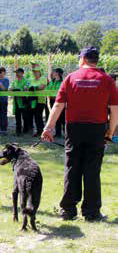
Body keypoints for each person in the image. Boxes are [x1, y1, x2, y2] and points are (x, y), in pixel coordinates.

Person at [42, 46, 118, 222]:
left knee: (72, 167)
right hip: (97, 128)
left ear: (82, 59)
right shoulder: (107, 80)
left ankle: (68, 210)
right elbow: (115, 110)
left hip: (74, 128)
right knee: (92, 169)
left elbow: (58, 106)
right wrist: (110, 132)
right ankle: (91, 212)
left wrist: (48, 127)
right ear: (96, 60)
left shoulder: (71, 78)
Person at [10, 68, 29, 136]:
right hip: (16, 102)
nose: (17, 74)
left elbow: (25, 88)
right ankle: (18, 131)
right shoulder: (14, 81)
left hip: (24, 102)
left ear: (22, 73)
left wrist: (18, 90)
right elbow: (10, 88)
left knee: (25, 117)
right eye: (16, 73)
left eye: (18, 72)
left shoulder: (26, 81)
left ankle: (26, 130)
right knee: (17, 117)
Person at [46, 68, 65, 137]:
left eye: (54, 72)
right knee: (55, 116)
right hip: (52, 100)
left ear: (58, 73)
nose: (52, 73)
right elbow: (47, 89)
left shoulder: (63, 82)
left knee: (62, 117)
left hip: (61, 101)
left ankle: (66, 133)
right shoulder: (52, 81)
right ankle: (58, 133)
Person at [29, 68, 47, 137]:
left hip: (40, 100)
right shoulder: (32, 80)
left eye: (36, 72)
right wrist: (33, 88)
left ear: (40, 72)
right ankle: (39, 131)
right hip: (33, 100)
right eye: (34, 72)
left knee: (38, 116)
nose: (35, 73)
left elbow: (42, 87)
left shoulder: (43, 78)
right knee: (36, 117)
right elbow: (29, 88)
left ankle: (42, 131)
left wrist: (34, 87)